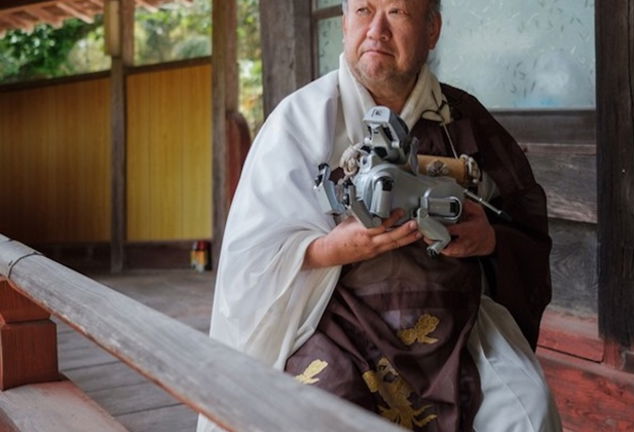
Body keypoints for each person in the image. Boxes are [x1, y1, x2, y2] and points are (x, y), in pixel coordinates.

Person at [198, 0, 561, 431]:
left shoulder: (462, 120)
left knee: (526, 411)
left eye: (397, 12)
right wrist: (330, 249)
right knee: (321, 417)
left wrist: (490, 239)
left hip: (458, 323)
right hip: (339, 329)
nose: (377, 31)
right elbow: (250, 261)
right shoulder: (300, 121)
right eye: (364, 11)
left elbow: (524, 221)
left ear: (432, 30)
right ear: (345, 23)